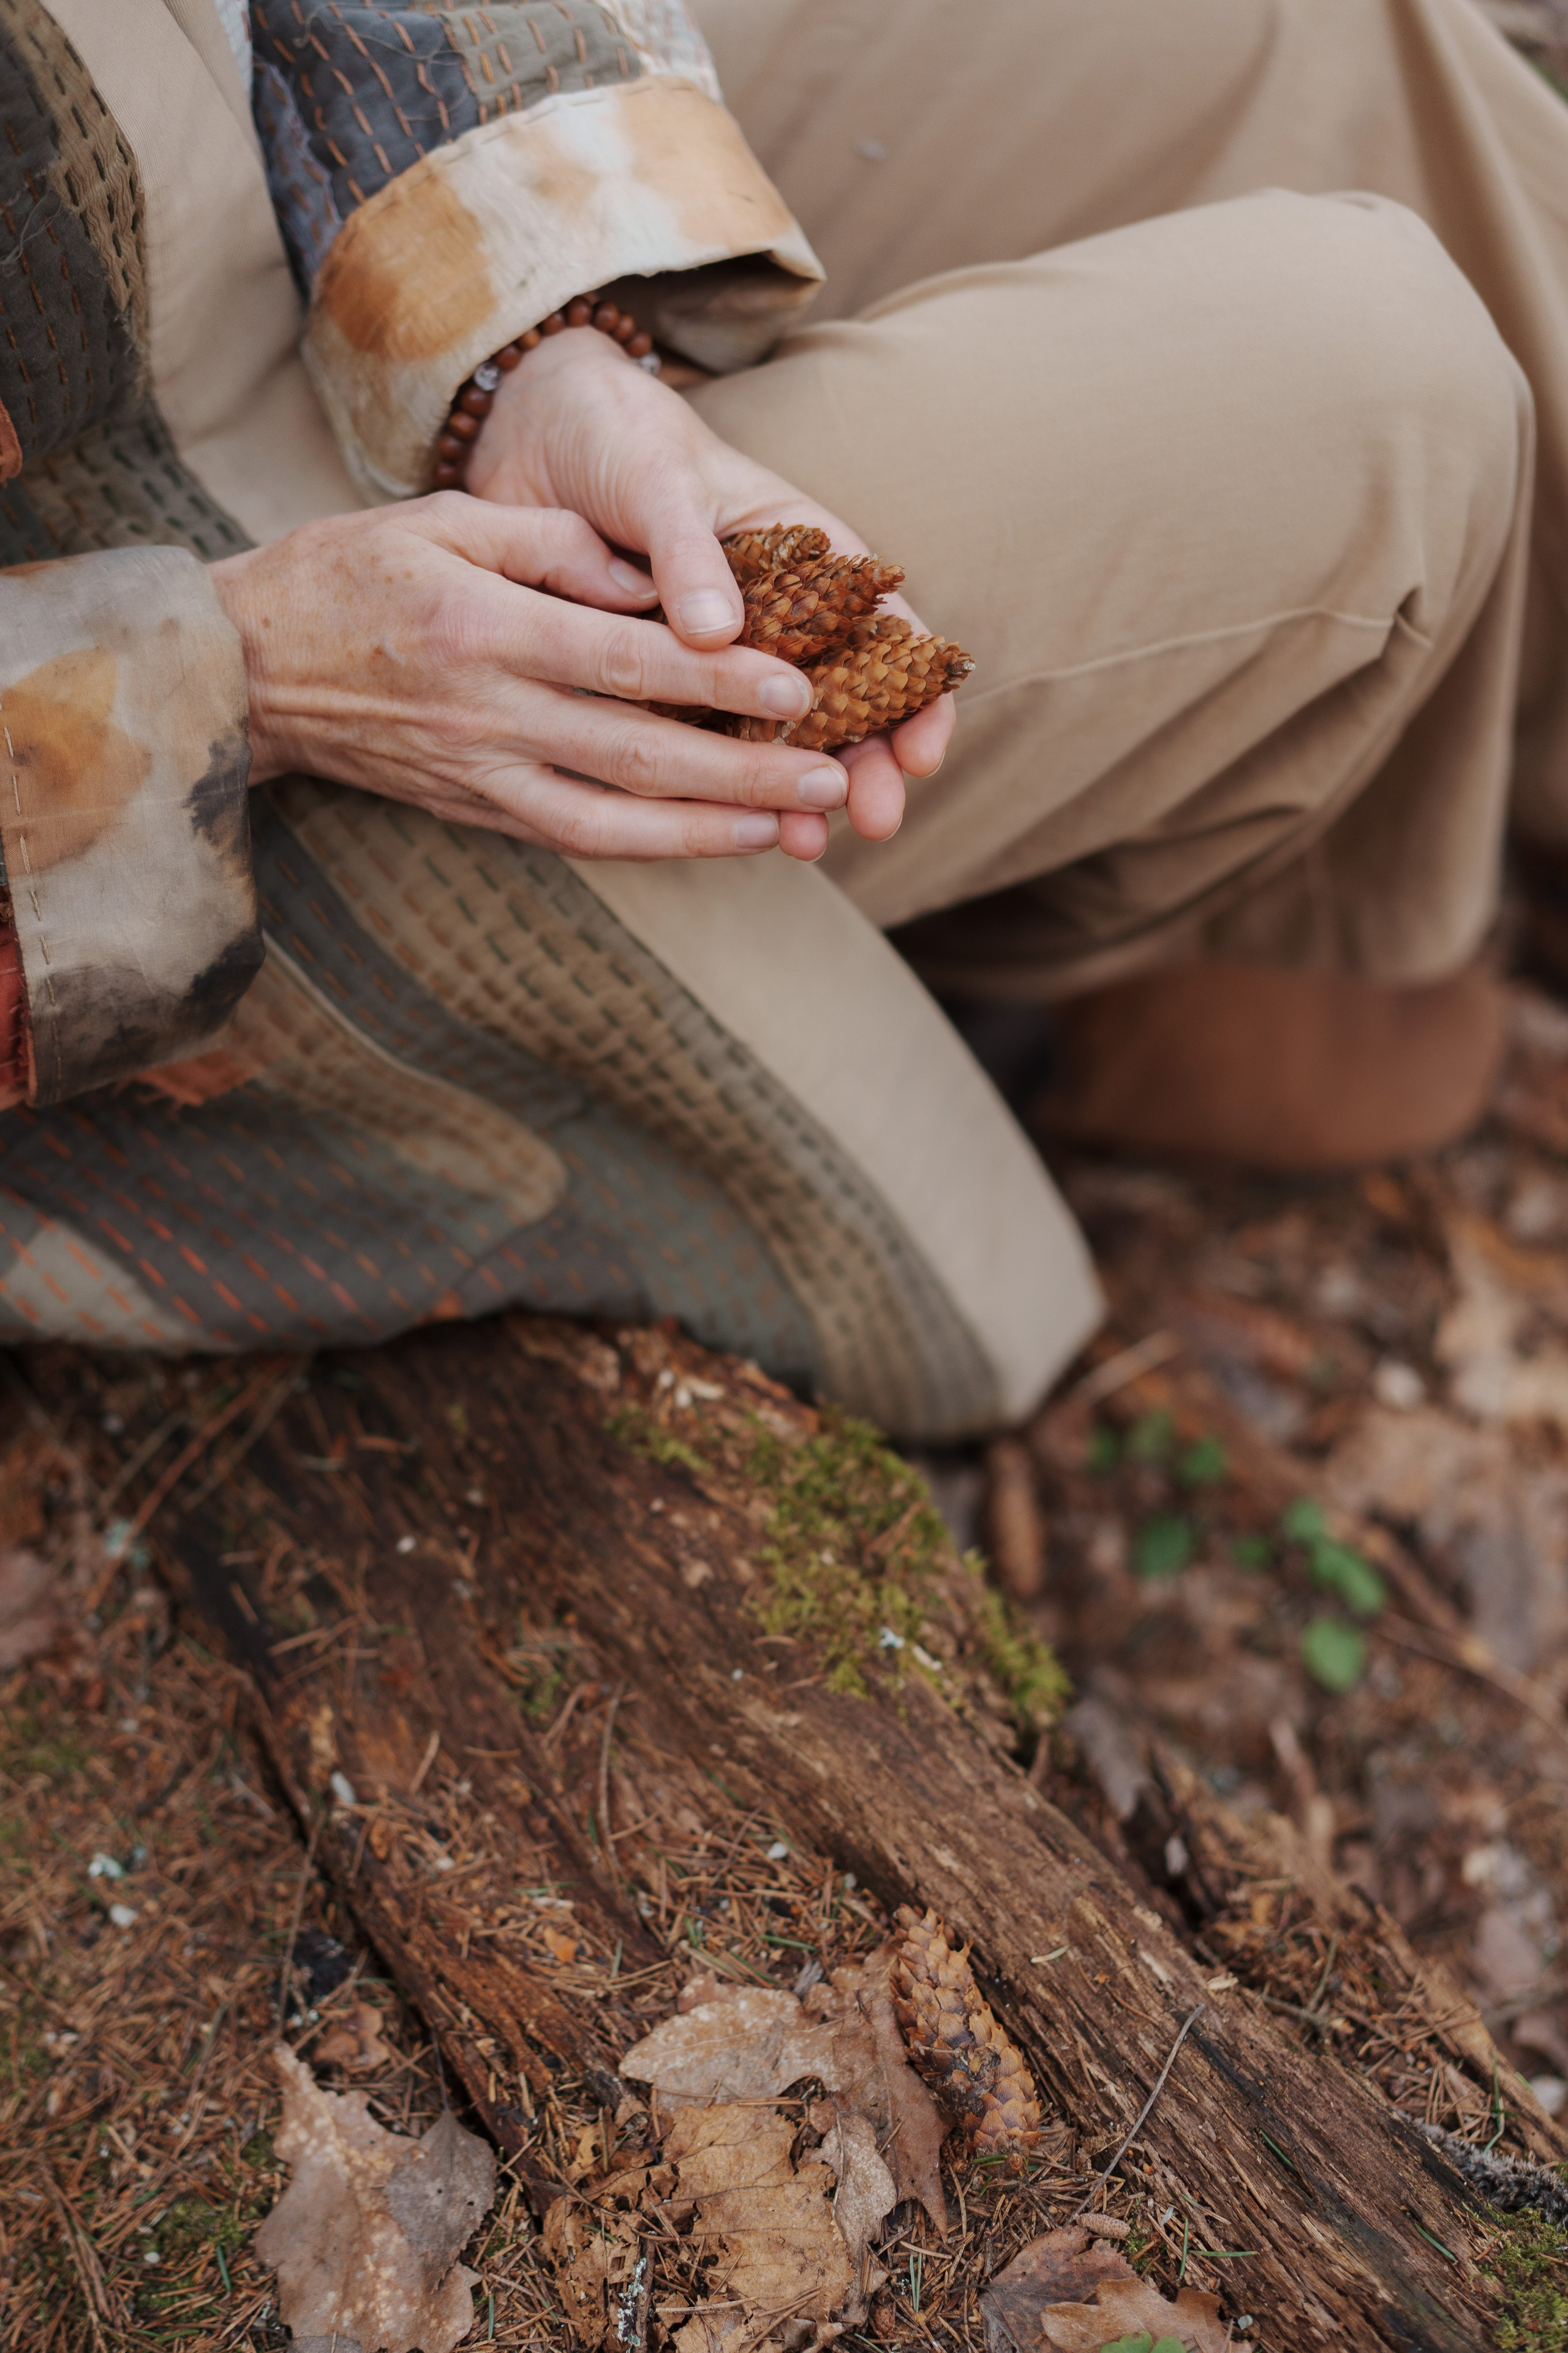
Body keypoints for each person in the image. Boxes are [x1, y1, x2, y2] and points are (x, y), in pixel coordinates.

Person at [0, 0, 1561, 1438]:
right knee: (1370, 402)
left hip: (212, 179)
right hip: (111, 753)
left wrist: (516, 343)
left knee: (1319, 52)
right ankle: (1169, 989)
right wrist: (245, 672)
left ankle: (1479, 791)